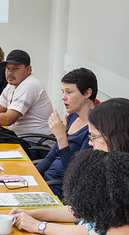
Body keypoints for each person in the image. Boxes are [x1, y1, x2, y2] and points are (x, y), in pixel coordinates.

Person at [11, 98, 129, 235]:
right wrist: (31, 213)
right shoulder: (113, 166)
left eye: (94, 136)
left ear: (116, 137)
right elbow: (80, 210)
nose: (91, 143)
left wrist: (38, 226)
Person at [35, 68, 98, 199]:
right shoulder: (72, 117)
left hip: (59, 191)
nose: (63, 97)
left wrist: (62, 137)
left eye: (69, 92)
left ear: (87, 93)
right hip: (45, 183)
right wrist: (30, 176)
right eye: (63, 92)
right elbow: (50, 157)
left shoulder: (95, 129)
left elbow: (76, 172)